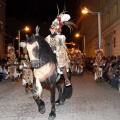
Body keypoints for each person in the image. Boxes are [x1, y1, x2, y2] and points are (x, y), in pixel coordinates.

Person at [45, 9, 76, 86]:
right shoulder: (47, 37)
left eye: (54, 27)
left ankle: (66, 79)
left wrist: (55, 49)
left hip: (59, 53)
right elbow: (45, 44)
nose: (52, 28)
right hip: (50, 53)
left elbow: (62, 46)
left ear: (57, 29)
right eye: (52, 27)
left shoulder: (61, 37)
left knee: (61, 63)